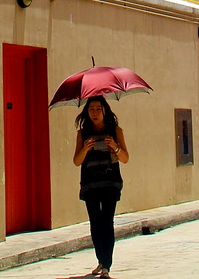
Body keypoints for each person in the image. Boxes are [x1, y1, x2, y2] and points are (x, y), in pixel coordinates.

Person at [74, 96, 129, 279]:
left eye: (98, 109)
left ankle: (106, 266)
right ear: (86, 112)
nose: (95, 113)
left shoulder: (115, 131)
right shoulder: (83, 133)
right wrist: (85, 148)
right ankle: (101, 260)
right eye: (91, 109)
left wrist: (115, 147)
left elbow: (125, 158)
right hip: (90, 185)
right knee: (95, 224)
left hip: (110, 183)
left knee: (107, 222)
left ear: (105, 110)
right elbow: (76, 161)